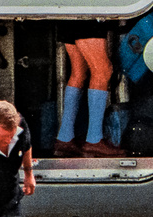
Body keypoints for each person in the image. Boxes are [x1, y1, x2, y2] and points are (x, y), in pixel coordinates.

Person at [54, 22, 126, 158]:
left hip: (69, 15)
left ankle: (64, 138)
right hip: (88, 18)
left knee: (79, 73)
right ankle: (94, 140)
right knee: (103, 70)